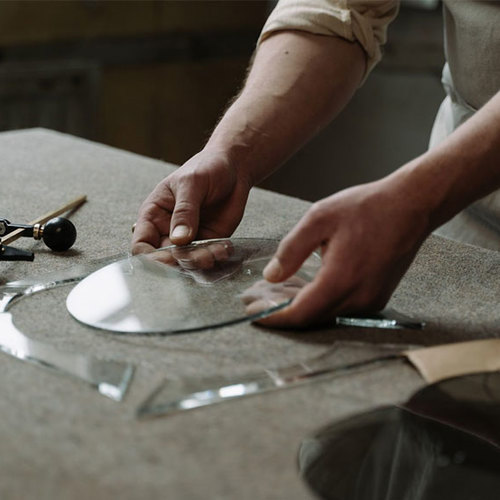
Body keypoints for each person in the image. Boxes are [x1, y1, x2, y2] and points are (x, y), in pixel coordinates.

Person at [132, 0, 500, 328]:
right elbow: (341, 8)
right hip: (467, 226)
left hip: (443, 197)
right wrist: (231, 154)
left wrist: (417, 200)